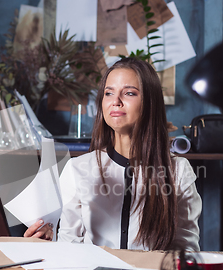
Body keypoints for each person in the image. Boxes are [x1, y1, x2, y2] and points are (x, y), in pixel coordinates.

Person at [25, 57, 201, 251]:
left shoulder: (178, 171)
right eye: (109, 93)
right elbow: (70, 246)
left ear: (150, 103)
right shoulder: (78, 169)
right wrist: (47, 246)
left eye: (129, 93)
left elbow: (186, 250)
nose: (115, 102)